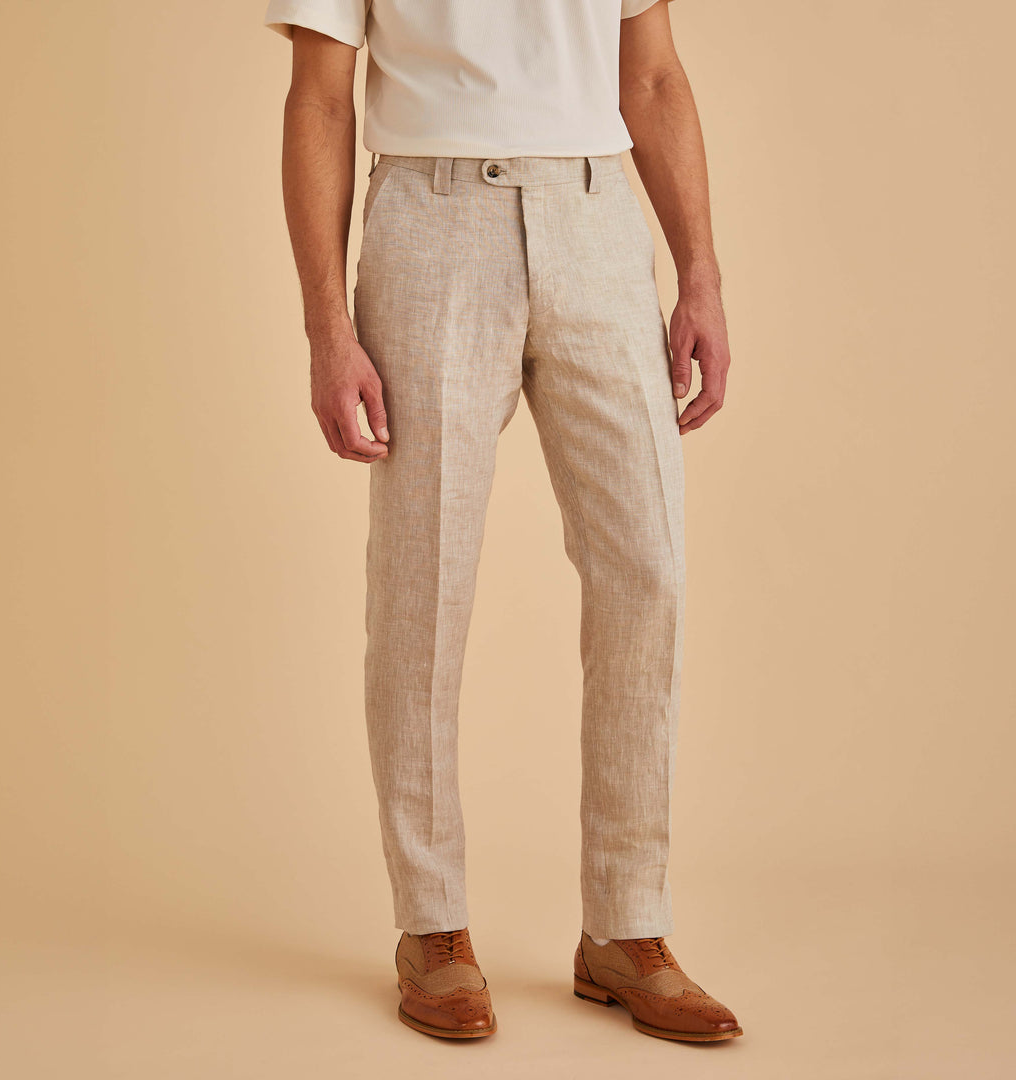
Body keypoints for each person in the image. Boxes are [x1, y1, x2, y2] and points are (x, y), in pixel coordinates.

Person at [263, 0, 740, 1042]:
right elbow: (321, 97)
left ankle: (627, 925)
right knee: (424, 581)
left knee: (647, 567)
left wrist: (698, 265)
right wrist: (325, 327)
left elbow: (651, 76)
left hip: (595, 214)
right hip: (432, 221)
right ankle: (432, 925)